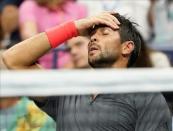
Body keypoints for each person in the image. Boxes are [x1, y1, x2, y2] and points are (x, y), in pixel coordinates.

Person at [2, 12, 171, 131]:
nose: (94, 38)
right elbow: (13, 59)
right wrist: (73, 28)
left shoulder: (146, 96)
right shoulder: (67, 91)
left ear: (127, 47)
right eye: (92, 36)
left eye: (105, 33)